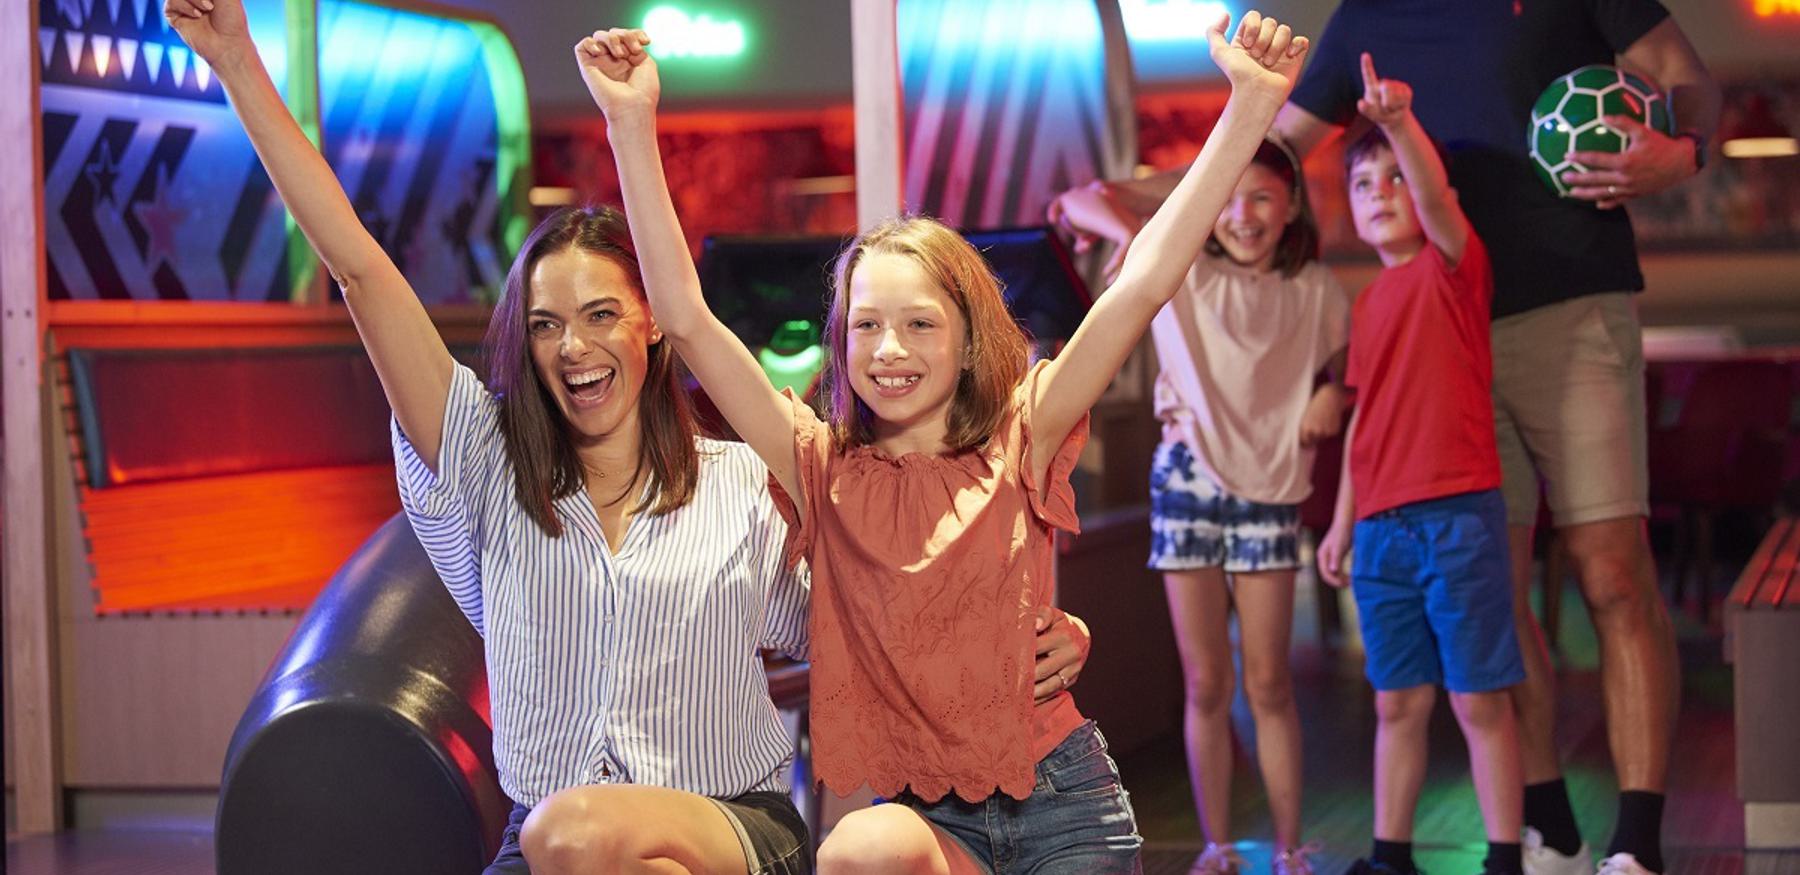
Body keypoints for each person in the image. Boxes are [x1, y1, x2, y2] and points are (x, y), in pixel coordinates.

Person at [162, 3, 1092, 874]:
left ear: (651, 325)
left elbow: (902, 603)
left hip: (733, 827)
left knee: (585, 832)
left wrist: (1041, 634)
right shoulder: (487, 466)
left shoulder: (748, 482)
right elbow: (360, 268)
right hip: (555, 848)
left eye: (601, 313)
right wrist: (240, 63)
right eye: (545, 324)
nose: (574, 345)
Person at [576, 11, 1310, 873]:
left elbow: (1143, 283)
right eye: (868, 325)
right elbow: (689, 322)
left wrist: (1249, 109)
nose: (890, 350)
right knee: (858, 848)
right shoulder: (819, 465)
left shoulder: (1024, 434)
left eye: (920, 324)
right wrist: (629, 122)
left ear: (967, 341)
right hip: (930, 826)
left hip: (1062, 805)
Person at [1053, 5, 1718, 872]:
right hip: (1444, 343)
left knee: (1614, 571)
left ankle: (1637, 844)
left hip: (1566, 305)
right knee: (1498, 597)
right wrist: (1113, 200)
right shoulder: (1366, 16)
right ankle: (1547, 823)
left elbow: (1686, 70)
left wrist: (1684, 152)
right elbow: (1262, 149)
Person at [1053, 137, 1348, 875]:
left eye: (1262, 199)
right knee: (1208, 679)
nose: (1242, 216)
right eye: (1228, 198)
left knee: (1270, 681)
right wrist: (1141, 230)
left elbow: (1339, 373)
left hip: (1270, 490)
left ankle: (1289, 847)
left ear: (1290, 207)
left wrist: (1329, 392)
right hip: (1188, 481)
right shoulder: (1179, 268)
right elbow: (1079, 200)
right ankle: (1216, 845)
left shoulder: (1316, 289)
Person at [1315, 53, 1525, 875]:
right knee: (1396, 699)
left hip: (1458, 518)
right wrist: (1341, 523)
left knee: (1478, 698)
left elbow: (1435, 200)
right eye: (1364, 187)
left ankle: (1503, 855)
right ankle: (1389, 855)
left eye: (1394, 179)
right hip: (1380, 531)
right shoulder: (1367, 302)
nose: (1380, 196)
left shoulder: (1453, 267)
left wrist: (1398, 125)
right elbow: (1365, 418)